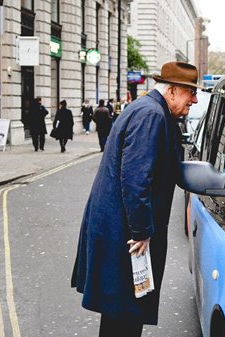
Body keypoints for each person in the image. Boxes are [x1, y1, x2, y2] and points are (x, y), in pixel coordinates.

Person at [71, 61, 201, 337]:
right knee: (125, 316)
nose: (195, 99)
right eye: (191, 92)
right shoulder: (152, 115)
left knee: (120, 314)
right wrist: (142, 232)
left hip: (121, 227)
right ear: (173, 91)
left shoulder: (149, 110)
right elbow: (135, 179)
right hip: (127, 233)